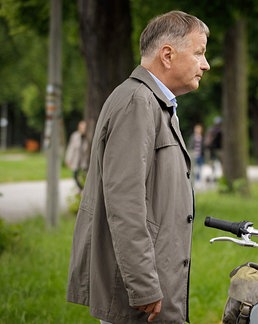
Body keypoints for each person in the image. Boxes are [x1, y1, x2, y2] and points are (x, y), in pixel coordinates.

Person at [66, 11, 210, 323]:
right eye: (199, 53)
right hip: (138, 298)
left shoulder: (155, 103)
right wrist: (143, 284)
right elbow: (125, 203)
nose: (205, 64)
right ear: (168, 55)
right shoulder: (138, 103)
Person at [64, 120, 89, 191]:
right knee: (75, 176)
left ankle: (83, 189)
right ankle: (81, 189)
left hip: (84, 162)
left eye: (85, 127)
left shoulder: (87, 137)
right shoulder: (75, 136)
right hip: (76, 160)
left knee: (84, 176)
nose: (83, 129)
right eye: (82, 127)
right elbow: (71, 148)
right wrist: (68, 159)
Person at [204, 116, 222, 182]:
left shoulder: (218, 130)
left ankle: (214, 177)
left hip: (216, 149)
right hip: (211, 149)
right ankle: (211, 177)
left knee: (215, 164)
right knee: (211, 164)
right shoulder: (212, 130)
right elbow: (207, 141)